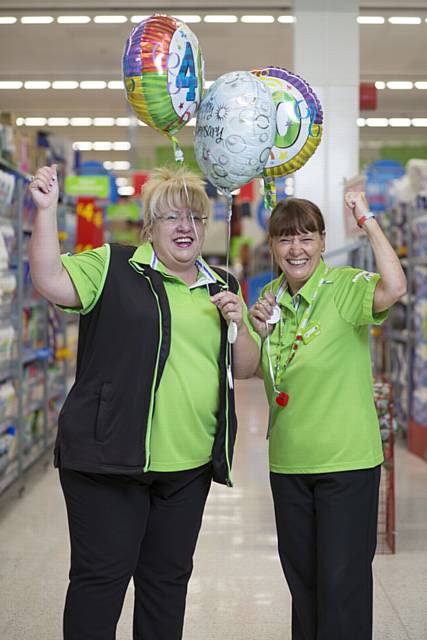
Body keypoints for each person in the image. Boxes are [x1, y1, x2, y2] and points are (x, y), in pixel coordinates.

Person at [28, 164, 260, 640]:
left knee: (166, 586)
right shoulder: (112, 266)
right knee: (101, 584)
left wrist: (238, 321)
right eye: (172, 217)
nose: (185, 228)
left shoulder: (223, 285)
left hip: (187, 468)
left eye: (195, 218)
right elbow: (50, 280)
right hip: (108, 462)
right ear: (149, 227)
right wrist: (46, 212)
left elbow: (245, 367)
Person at [249, 194, 406, 640]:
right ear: (273, 247)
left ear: (321, 241)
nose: (295, 249)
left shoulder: (346, 286)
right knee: (304, 585)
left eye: (305, 237)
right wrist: (254, 330)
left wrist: (368, 221)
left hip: (347, 463)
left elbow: (394, 288)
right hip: (289, 462)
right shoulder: (268, 297)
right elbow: (260, 370)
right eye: (285, 239)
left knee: (343, 584)